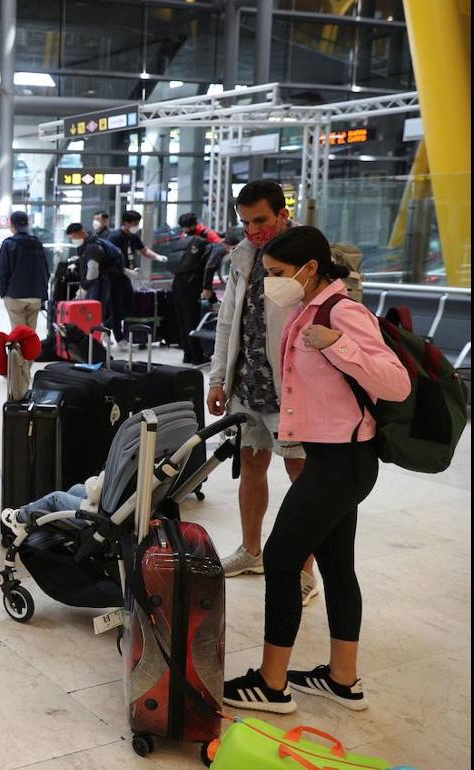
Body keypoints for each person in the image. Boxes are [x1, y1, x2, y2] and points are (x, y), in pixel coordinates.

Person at [222, 226, 409, 715]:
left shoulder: (343, 312)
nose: (271, 284)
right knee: (336, 564)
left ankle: (271, 682)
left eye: (278, 274)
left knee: (283, 560)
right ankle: (342, 680)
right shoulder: (307, 307)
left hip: (341, 463)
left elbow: (396, 383)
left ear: (309, 268)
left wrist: (335, 345)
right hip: (332, 458)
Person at [207, 180, 319, 604]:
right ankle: (252, 550)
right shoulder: (243, 257)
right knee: (251, 463)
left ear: (283, 213)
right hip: (247, 383)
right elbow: (226, 321)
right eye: (245, 221)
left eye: (261, 220)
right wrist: (219, 378)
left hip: (292, 387)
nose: (253, 229)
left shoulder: (308, 257)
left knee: (302, 476)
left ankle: (305, 570)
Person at [105, 210, 167, 348]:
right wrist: (123, 270)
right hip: (114, 277)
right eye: (134, 223)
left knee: (128, 305)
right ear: (126, 223)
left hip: (126, 277)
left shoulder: (133, 237)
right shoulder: (114, 237)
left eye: (138, 223)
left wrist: (157, 256)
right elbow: (108, 258)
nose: (137, 226)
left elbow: (143, 250)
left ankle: (106, 327)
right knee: (116, 307)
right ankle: (119, 339)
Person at [171, 213, 224, 364]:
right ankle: (196, 356)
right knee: (192, 319)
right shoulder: (208, 235)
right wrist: (207, 287)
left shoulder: (184, 237)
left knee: (183, 319)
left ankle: (188, 354)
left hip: (178, 282)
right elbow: (215, 256)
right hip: (193, 283)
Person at [0, 211, 51, 333]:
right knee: (31, 333)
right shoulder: (37, 243)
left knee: (18, 333)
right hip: (36, 295)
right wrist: (42, 292)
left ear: (12, 225)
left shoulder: (8, 244)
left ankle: (18, 352)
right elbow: (46, 270)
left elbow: (2, 272)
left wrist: (3, 292)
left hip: (15, 295)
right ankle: (31, 352)